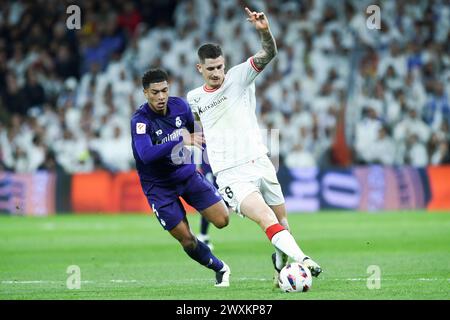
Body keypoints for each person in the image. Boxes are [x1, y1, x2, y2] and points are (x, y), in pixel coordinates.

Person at [187, 7, 322, 287]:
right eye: (210, 69)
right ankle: (303, 259)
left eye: (219, 67)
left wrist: (264, 31)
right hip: (231, 173)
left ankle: (280, 262)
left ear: (225, 64)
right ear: (200, 68)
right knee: (264, 218)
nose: (216, 73)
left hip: (259, 160)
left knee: (282, 222)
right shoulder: (194, 98)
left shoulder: (240, 76)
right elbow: (194, 124)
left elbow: (268, 54)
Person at [131, 68, 231, 287]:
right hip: (158, 187)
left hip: (186, 174)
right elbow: (146, 155)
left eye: (164, 90)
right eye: (155, 92)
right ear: (145, 93)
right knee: (186, 239)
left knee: (222, 220)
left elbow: (196, 133)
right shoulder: (140, 120)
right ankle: (220, 268)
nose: (161, 97)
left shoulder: (181, 107)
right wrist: (178, 139)